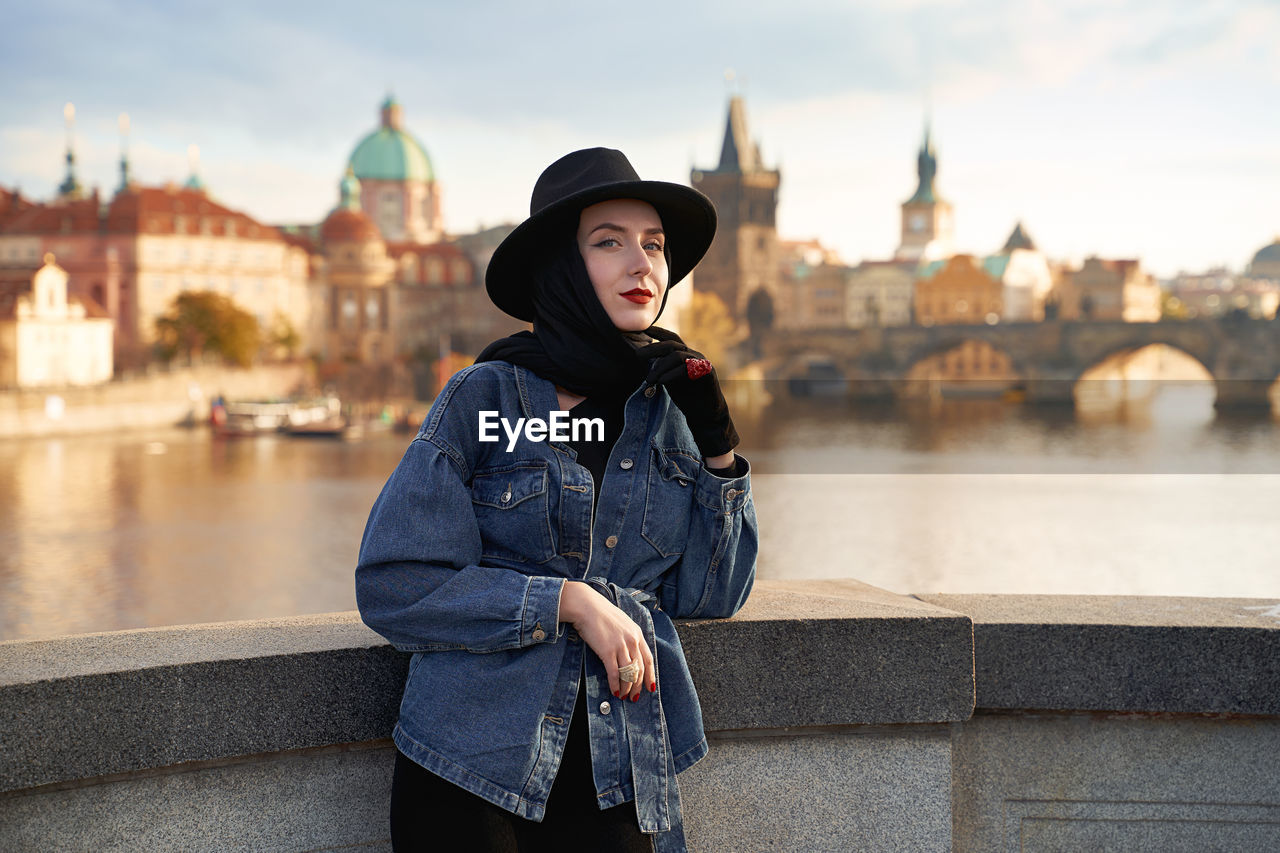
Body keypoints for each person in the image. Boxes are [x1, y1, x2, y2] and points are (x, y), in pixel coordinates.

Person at [356, 147, 758, 853]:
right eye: (609, 242)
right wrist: (568, 600)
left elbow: (713, 593)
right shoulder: (487, 399)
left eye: (654, 245)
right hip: (470, 763)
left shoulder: (669, 408)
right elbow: (398, 585)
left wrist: (719, 445)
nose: (643, 264)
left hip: (618, 766)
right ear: (562, 269)